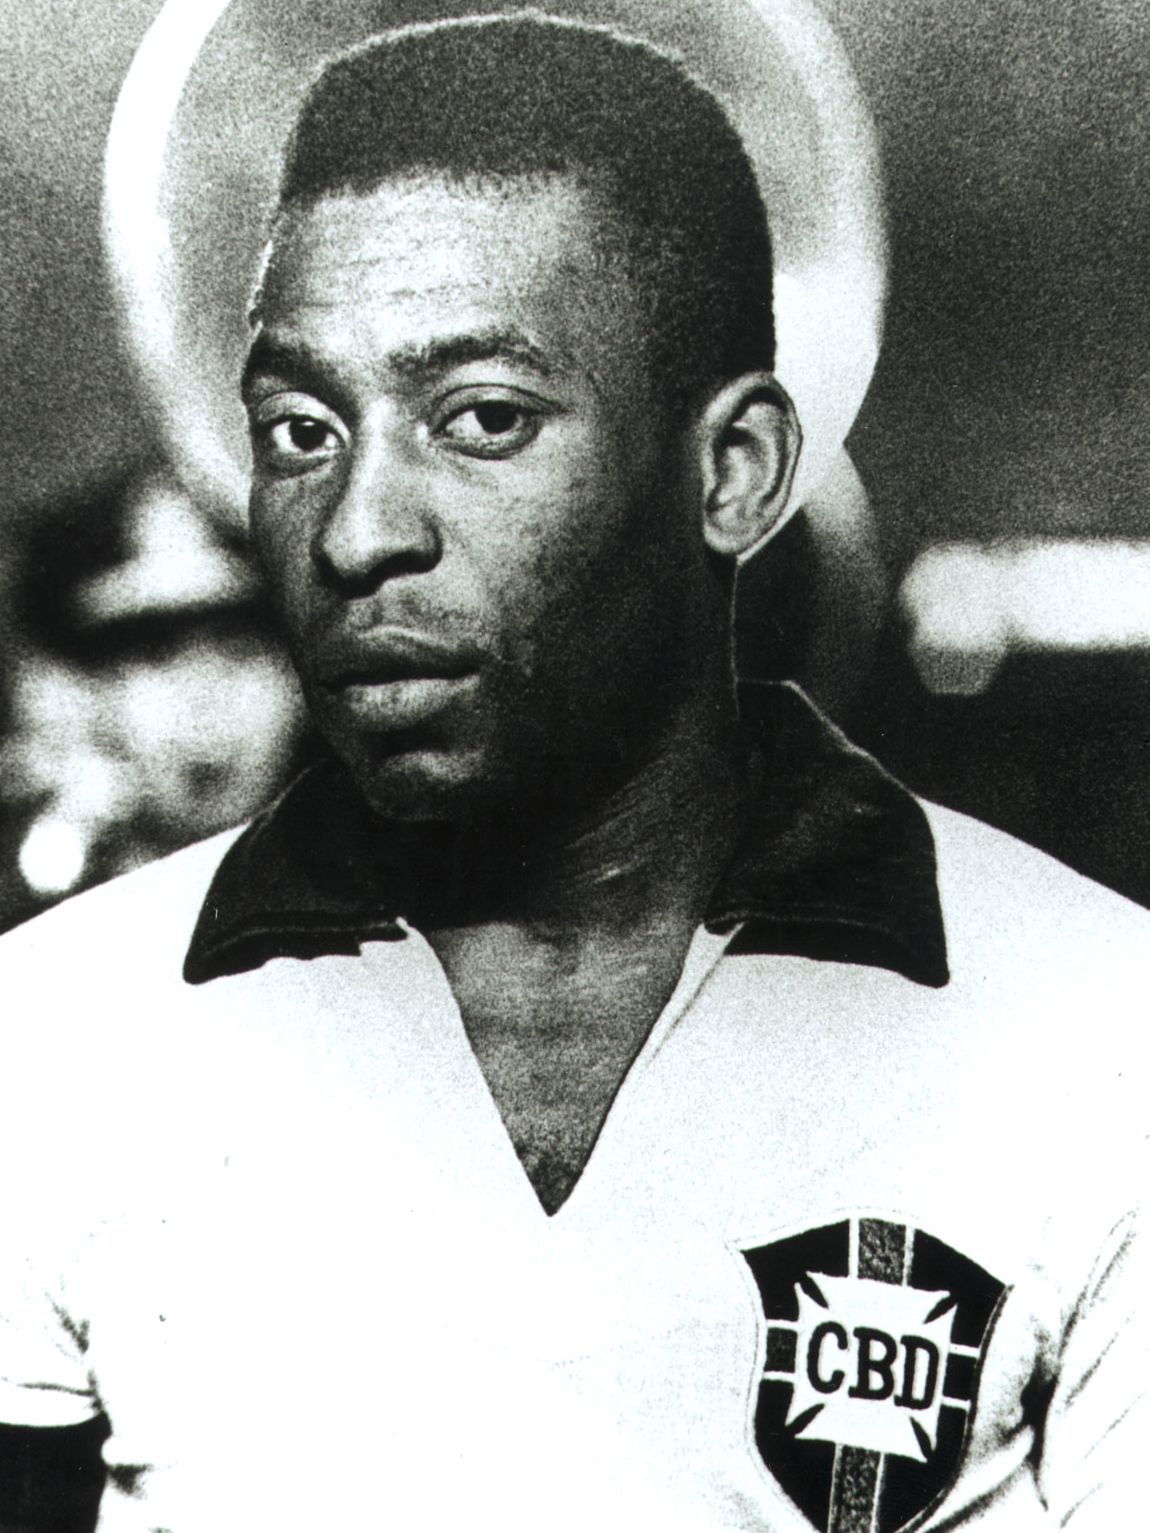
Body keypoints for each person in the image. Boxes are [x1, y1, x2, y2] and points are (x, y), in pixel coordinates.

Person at [0, 14, 1146, 1532]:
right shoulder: (48, 1038)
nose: (358, 533)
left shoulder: (1096, 1033)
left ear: (734, 471)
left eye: (484, 419)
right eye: (298, 428)